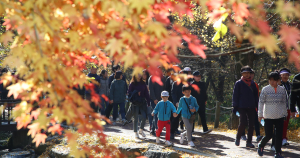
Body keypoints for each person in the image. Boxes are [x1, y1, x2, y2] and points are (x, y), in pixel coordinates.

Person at [257, 71, 287, 158]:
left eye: (273, 80)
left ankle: (278, 153)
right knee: (269, 135)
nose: (271, 82)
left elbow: (284, 102)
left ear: (278, 80)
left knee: (278, 135)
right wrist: (260, 114)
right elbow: (261, 102)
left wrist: (284, 113)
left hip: (280, 116)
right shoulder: (265, 89)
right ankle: (261, 145)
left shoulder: (282, 90)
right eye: (270, 80)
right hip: (268, 116)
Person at [232, 65, 258, 148]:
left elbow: (256, 96)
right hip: (241, 106)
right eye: (245, 73)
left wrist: (257, 106)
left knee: (251, 125)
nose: (247, 74)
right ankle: (238, 138)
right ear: (242, 74)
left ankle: (249, 142)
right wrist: (235, 106)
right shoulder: (238, 83)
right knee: (243, 122)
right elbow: (235, 95)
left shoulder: (253, 84)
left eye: (248, 73)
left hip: (251, 106)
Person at [269, 68, 292, 150]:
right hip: (277, 108)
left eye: (287, 75)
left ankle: (284, 138)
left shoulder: (290, 85)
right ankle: (275, 143)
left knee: (285, 124)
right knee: (278, 126)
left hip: (288, 107)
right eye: (283, 75)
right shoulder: (278, 84)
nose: (285, 76)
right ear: (280, 76)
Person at [240, 70, 263, 142]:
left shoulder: (255, 84)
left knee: (256, 120)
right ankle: (242, 134)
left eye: (252, 74)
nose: (251, 76)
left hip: (253, 105)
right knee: (244, 120)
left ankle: (258, 135)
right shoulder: (241, 83)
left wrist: (257, 104)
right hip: (244, 105)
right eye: (250, 74)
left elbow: (257, 95)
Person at [127, 74, 151, 139]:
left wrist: (148, 103)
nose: (139, 75)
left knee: (144, 116)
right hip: (135, 103)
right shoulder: (132, 84)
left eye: (140, 74)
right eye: (138, 74)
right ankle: (135, 132)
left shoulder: (143, 83)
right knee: (135, 118)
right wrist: (136, 92)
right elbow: (129, 93)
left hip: (142, 103)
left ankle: (141, 130)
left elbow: (146, 94)